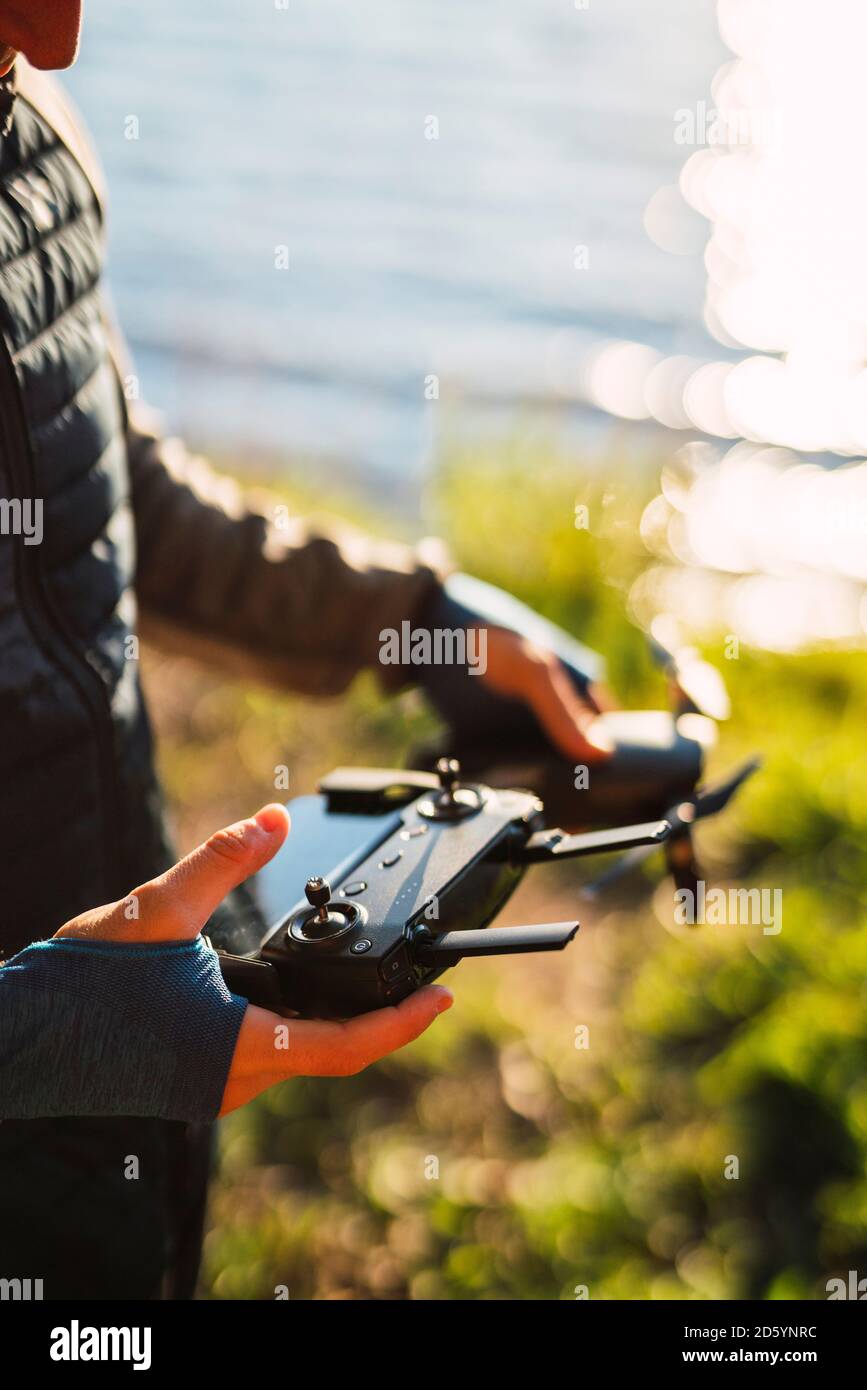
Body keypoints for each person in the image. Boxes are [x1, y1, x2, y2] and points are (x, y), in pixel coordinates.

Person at [0, 2, 610, 1299]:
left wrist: (417, 619)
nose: (60, 38)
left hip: (147, 1009)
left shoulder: (32, 117)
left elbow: (126, 509)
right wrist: (42, 1038)